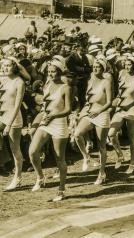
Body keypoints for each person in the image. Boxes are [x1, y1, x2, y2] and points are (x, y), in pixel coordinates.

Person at [29, 59, 72, 201]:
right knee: (32, 151)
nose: (51, 74)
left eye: (53, 71)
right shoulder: (47, 84)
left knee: (60, 159)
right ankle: (40, 177)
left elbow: (67, 110)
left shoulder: (66, 87)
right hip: (46, 121)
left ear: (59, 72)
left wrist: (54, 115)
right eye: (49, 72)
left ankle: (61, 189)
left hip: (59, 123)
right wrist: (43, 116)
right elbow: (45, 106)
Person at [74, 59, 112, 184]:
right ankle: (86, 156)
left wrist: (99, 111)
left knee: (101, 145)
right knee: (77, 134)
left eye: (98, 67)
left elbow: (109, 102)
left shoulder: (106, 82)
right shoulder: (90, 80)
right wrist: (81, 112)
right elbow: (88, 100)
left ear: (103, 69)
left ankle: (102, 173)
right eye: (94, 67)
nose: (95, 69)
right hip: (90, 112)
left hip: (102, 113)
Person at [108, 56, 134, 174]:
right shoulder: (122, 74)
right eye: (125, 64)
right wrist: (115, 101)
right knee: (111, 134)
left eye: (129, 64)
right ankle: (120, 155)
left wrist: (129, 106)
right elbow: (120, 92)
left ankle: (132, 162)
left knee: (132, 136)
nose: (127, 67)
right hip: (120, 107)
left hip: (131, 108)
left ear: (133, 65)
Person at [1, 57, 25, 191]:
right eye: (3, 66)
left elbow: (17, 106)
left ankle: (18, 178)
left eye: (8, 65)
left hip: (14, 118)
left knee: (15, 149)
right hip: (1, 116)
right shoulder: (2, 80)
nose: (5, 68)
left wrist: (9, 124)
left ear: (14, 67)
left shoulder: (19, 82)